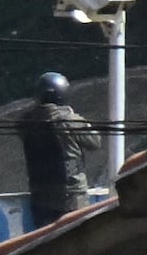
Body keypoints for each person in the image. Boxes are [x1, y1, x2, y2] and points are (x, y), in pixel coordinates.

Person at [17, 70, 98, 225]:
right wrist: (72, 115)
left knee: (45, 244)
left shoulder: (25, 123)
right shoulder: (69, 120)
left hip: (40, 197)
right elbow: (95, 142)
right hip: (72, 197)